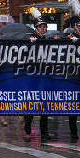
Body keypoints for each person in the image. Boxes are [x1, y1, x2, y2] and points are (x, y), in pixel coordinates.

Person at [24, 8, 50, 141]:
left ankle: (44, 132)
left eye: (45, 26)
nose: (43, 29)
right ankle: (27, 130)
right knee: (30, 106)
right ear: (36, 28)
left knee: (44, 106)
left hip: (44, 77)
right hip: (32, 78)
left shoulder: (47, 40)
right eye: (41, 27)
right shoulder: (30, 39)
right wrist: (29, 45)